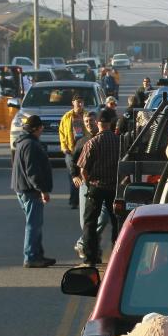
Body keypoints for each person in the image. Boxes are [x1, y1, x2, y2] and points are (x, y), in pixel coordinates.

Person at [78, 108, 121, 266]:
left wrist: (88, 182)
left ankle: (91, 256)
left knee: (90, 222)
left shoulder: (92, 143)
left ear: (98, 124)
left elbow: (83, 168)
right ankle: (118, 254)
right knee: (116, 221)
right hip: (113, 187)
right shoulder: (119, 141)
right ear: (110, 124)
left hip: (96, 187)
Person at [11, 115, 55, 268]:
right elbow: (33, 171)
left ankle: (38, 254)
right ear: (37, 128)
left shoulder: (23, 142)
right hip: (30, 190)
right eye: (41, 127)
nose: (42, 129)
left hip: (22, 187)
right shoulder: (31, 145)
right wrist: (42, 190)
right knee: (33, 224)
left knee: (35, 223)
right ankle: (31, 257)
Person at [72, 111, 111, 260]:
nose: (89, 124)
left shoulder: (105, 138)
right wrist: (75, 175)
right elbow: (73, 161)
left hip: (103, 185)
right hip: (87, 184)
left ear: (98, 122)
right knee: (86, 220)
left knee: (103, 217)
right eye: (86, 121)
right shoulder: (82, 142)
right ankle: (93, 249)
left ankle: (83, 242)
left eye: (91, 121)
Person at [58, 97, 88, 207]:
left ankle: (84, 199)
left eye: (81, 102)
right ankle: (74, 200)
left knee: (84, 174)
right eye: (78, 102)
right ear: (73, 103)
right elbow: (61, 133)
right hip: (71, 150)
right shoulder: (67, 117)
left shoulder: (87, 115)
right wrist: (64, 147)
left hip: (84, 149)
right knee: (73, 175)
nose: (80, 104)